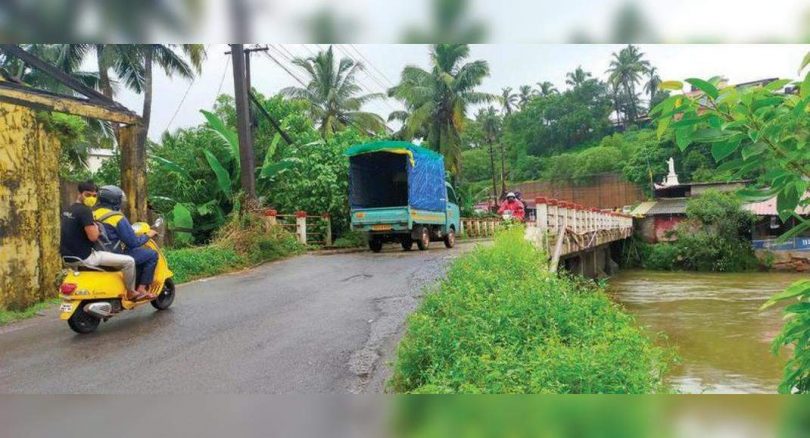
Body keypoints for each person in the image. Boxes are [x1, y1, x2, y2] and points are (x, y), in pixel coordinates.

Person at [60, 181, 140, 300]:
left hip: (67, 257)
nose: (91, 198)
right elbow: (93, 237)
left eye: (94, 195)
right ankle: (131, 292)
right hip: (86, 257)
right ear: (79, 193)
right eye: (88, 195)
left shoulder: (69, 210)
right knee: (129, 261)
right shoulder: (85, 211)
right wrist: (97, 228)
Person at [94, 185, 159, 301]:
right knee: (152, 254)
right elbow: (133, 242)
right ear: (115, 200)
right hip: (115, 255)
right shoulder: (116, 217)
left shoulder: (92, 214)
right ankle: (141, 289)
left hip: (96, 254)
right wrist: (148, 235)